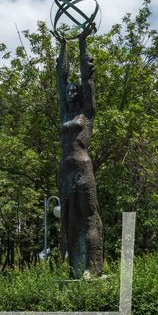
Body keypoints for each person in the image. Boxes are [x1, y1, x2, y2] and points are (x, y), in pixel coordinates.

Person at [55, 28, 103, 278]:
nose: (70, 92)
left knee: (88, 217)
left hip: (83, 167)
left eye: (74, 91)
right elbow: (60, 78)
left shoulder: (87, 112)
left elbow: (87, 79)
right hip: (65, 169)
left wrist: (82, 42)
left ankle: (91, 268)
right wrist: (63, 46)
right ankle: (74, 267)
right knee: (68, 222)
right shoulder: (64, 113)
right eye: (68, 92)